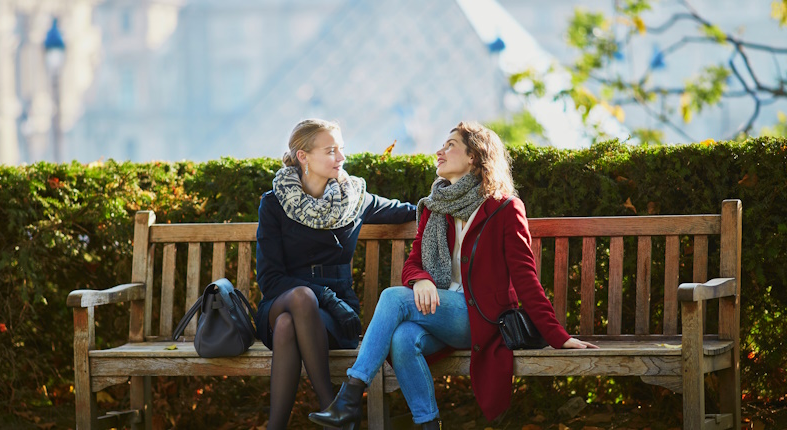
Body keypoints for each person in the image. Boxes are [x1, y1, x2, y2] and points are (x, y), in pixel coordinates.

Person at [308, 121, 598, 429]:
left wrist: (559, 337)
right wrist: (421, 278)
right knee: (404, 338)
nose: (439, 151)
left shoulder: (504, 208)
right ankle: (428, 424)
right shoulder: (437, 208)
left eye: (450, 145)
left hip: (483, 319)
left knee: (393, 297)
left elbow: (526, 278)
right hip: (442, 315)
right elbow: (413, 263)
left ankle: (350, 397)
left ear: (473, 157)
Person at [255, 118, 416, 429]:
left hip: (336, 316)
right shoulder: (273, 204)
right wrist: (323, 295)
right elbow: (270, 280)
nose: (341, 158)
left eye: (341, 149)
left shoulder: (353, 198)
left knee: (290, 326)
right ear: (303, 156)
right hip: (281, 302)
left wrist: (453, 198)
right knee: (299, 301)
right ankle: (334, 408)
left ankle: (279, 426)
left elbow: (409, 210)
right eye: (330, 151)